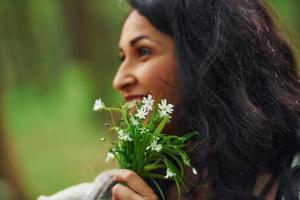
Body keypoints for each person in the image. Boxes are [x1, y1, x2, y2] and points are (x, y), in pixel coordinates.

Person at [38, 0, 300, 199]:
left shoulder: (291, 180)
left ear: (203, 57)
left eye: (142, 51)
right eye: (121, 58)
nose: (119, 80)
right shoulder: (114, 191)